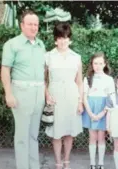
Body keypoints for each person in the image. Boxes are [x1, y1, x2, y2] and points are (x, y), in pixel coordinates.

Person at [1, 10, 46, 169]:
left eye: (36, 24)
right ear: (22, 25)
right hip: (21, 94)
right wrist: (8, 94)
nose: (34, 27)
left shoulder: (41, 45)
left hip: (38, 94)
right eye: (30, 24)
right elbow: (5, 70)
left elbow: (43, 71)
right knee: (22, 136)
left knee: (33, 135)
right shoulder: (12, 44)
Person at [44, 22, 83, 169]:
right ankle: (58, 163)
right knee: (56, 132)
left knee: (69, 132)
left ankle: (66, 161)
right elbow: (43, 80)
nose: (63, 41)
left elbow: (79, 82)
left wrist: (80, 102)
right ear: (55, 39)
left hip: (72, 97)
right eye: (60, 37)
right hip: (55, 97)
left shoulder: (76, 57)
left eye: (65, 37)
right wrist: (47, 95)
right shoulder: (48, 56)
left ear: (70, 39)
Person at [82, 52, 115, 169]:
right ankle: (92, 163)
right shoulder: (87, 79)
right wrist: (90, 113)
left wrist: (102, 113)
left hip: (103, 110)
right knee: (92, 137)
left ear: (105, 64)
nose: (98, 66)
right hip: (91, 109)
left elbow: (111, 99)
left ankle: (100, 163)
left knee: (101, 137)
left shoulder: (109, 79)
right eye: (95, 63)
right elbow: (84, 97)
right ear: (92, 64)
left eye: (100, 63)